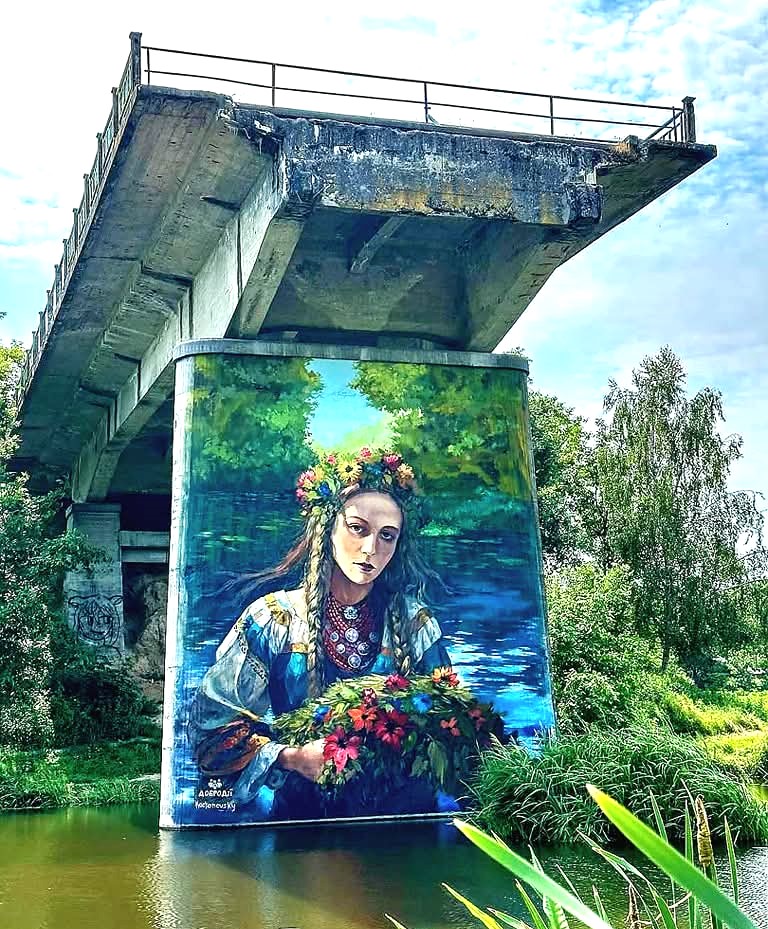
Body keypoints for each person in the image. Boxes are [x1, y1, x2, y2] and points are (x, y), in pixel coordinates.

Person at [189, 448, 451, 818]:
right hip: (303, 825)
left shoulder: (414, 623)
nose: (370, 549)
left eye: (387, 536)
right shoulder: (273, 620)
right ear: (327, 528)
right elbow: (210, 735)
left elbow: (452, 723)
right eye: (357, 529)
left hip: (403, 822)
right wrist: (292, 757)